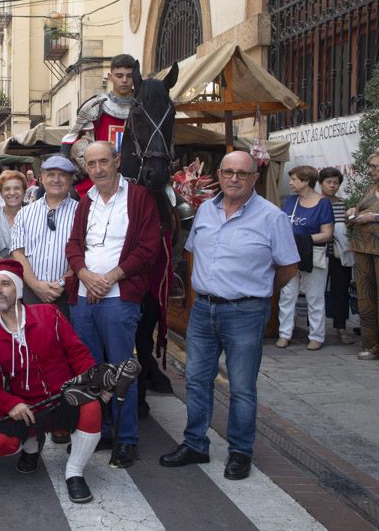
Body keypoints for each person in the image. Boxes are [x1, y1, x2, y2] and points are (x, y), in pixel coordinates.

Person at [160, 151, 299, 480]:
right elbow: (193, 253)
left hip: (246, 312)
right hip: (204, 310)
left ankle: (240, 451)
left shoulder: (271, 217)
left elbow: (288, 268)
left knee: (242, 387)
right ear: (219, 176)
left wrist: (258, 290)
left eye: (242, 173)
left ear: (254, 178)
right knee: (196, 380)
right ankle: (195, 443)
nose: (234, 178)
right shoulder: (205, 210)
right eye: (228, 172)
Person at [65, 141, 160, 468]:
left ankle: (127, 437)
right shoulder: (85, 201)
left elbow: (148, 249)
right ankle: (100, 429)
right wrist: (85, 275)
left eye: (104, 162)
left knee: (121, 370)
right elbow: (74, 245)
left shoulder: (138, 198)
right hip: (84, 297)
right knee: (91, 372)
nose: (98, 169)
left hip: (121, 298)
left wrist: (111, 277)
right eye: (91, 164)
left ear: (117, 161)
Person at [0, 259, 102, 503]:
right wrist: (11, 404)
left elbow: (77, 353)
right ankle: (32, 446)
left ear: (18, 288)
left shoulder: (50, 315)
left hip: (63, 398)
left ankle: (74, 473)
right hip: (26, 409)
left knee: (91, 406)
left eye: (5, 284)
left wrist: (92, 381)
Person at [11, 156, 79, 318]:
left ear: (70, 180)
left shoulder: (82, 212)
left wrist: (61, 283)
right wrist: (35, 286)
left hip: (68, 293)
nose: (56, 179)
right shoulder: (25, 213)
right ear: (41, 178)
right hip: (31, 293)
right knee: (34, 341)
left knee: (66, 341)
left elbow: (84, 254)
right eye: (51, 174)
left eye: (62, 175)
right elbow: (18, 252)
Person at [61, 54, 136, 196]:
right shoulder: (95, 106)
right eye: (119, 75)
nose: (124, 80)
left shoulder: (145, 107)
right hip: (98, 176)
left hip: (137, 175)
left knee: (177, 206)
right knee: (71, 200)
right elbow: (70, 139)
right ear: (110, 76)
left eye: (129, 76)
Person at [277, 166, 334, 350]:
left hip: (313, 255)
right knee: (287, 295)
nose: (291, 183)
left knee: (315, 296)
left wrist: (302, 240)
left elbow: (327, 234)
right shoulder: (291, 202)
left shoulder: (323, 203)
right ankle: (284, 333)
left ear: (306, 181)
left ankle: (317, 336)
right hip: (290, 255)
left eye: (294, 179)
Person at [319, 167, 356, 345]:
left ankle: (341, 328)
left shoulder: (343, 203)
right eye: (329, 182)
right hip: (319, 254)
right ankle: (316, 331)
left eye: (336, 183)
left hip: (340, 256)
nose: (333, 186)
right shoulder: (315, 203)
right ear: (320, 183)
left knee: (340, 292)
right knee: (316, 293)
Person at [348, 152, 379, 360]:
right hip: (363, 247)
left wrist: (375, 216)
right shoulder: (371, 189)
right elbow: (360, 209)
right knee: (366, 297)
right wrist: (354, 210)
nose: (372, 170)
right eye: (371, 166)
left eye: (376, 166)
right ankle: (371, 345)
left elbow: (372, 213)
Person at [0, 170, 26, 263]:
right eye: (7, 189)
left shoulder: (33, 216)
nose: (12, 193)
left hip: (28, 271)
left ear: (24, 191)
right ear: (1, 194)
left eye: (17, 188)